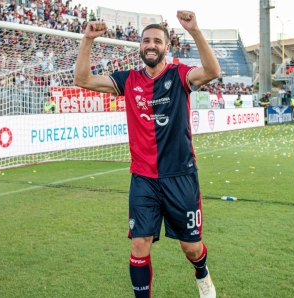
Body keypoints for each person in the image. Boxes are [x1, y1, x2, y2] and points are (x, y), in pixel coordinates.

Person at [73, 11, 219, 298]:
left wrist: (195, 30)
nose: (150, 45)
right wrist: (88, 38)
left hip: (180, 175)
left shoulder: (179, 75)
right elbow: (82, 79)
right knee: (139, 245)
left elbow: (212, 72)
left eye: (157, 41)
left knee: (190, 248)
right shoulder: (128, 80)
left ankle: (202, 273)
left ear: (166, 47)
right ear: (139, 47)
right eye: (145, 41)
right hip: (143, 178)